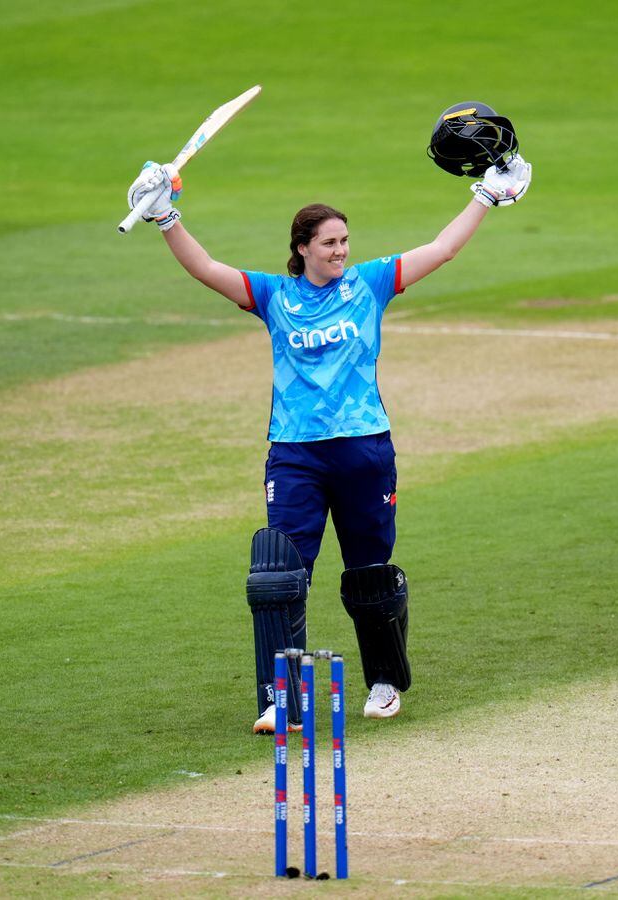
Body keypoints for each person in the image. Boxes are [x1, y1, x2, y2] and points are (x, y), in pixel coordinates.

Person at [125, 150, 532, 730]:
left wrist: (486, 196)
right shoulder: (273, 296)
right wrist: (166, 217)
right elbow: (206, 268)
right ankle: (280, 697)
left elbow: (441, 249)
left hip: (364, 447)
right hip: (295, 453)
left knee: (369, 572)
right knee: (280, 576)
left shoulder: (369, 283)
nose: (341, 251)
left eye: (345, 241)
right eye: (329, 243)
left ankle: (386, 683)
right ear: (302, 248)